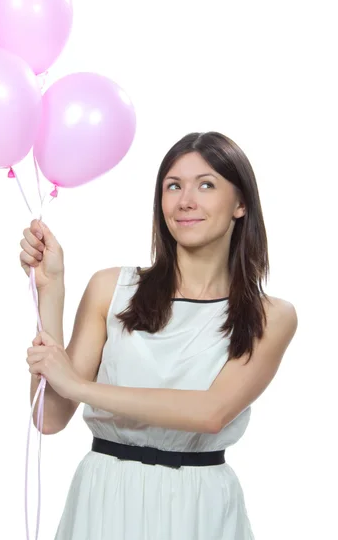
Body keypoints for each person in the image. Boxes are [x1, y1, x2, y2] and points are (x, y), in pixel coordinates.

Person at [20, 131, 298, 539]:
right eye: (173, 186)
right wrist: (51, 291)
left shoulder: (270, 315)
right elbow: (49, 418)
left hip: (198, 504)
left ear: (241, 204)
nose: (185, 200)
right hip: (106, 496)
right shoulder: (111, 288)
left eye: (206, 184)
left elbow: (210, 413)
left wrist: (80, 386)